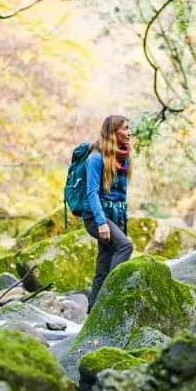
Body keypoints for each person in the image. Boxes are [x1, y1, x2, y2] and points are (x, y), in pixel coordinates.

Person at [83, 115, 134, 309]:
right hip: (96, 217)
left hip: (115, 216)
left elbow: (121, 194)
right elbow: (92, 193)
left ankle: (94, 313)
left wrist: (123, 217)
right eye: (125, 128)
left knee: (103, 265)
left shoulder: (123, 156)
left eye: (130, 128)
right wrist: (101, 222)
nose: (129, 133)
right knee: (125, 246)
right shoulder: (96, 157)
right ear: (113, 132)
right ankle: (110, 298)